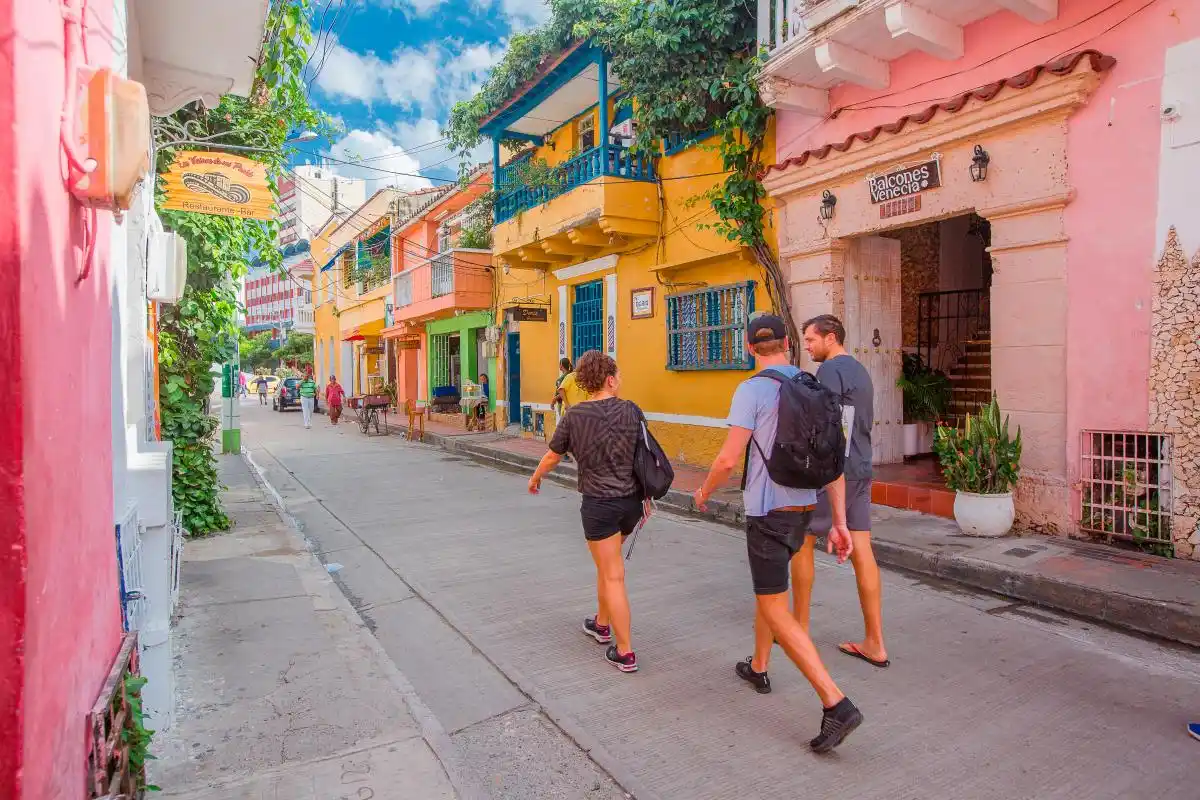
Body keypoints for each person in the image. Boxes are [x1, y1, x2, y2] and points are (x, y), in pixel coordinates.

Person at [693, 313, 863, 753]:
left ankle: (835, 702)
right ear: (788, 342)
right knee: (767, 593)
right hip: (804, 509)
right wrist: (840, 522)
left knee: (773, 605)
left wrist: (704, 491)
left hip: (767, 513)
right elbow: (834, 462)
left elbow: (730, 459)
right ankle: (759, 665)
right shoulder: (817, 388)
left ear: (750, 348)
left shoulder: (750, 390)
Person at [528, 350, 649, 674]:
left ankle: (624, 652)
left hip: (599, 505)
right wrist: (647, 497)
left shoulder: (575, 416)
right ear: (610, 379)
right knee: (606, 563)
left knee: (612, 573)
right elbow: (644, 458)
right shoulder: (631, 411)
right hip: (630, 505)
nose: (620, 381)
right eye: (618, 376)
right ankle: (601, 622)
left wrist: (536, 477)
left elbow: (553, 456)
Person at [789, 314, 887, 668]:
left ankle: (797, 629)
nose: (809, 347)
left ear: (831, 338)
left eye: (812, 340)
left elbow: (824, 425)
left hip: (834, 474)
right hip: (860, 467)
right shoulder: (860, 370)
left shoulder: (830, 372)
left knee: (803, 542)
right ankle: (875, 641)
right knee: (863, 551)